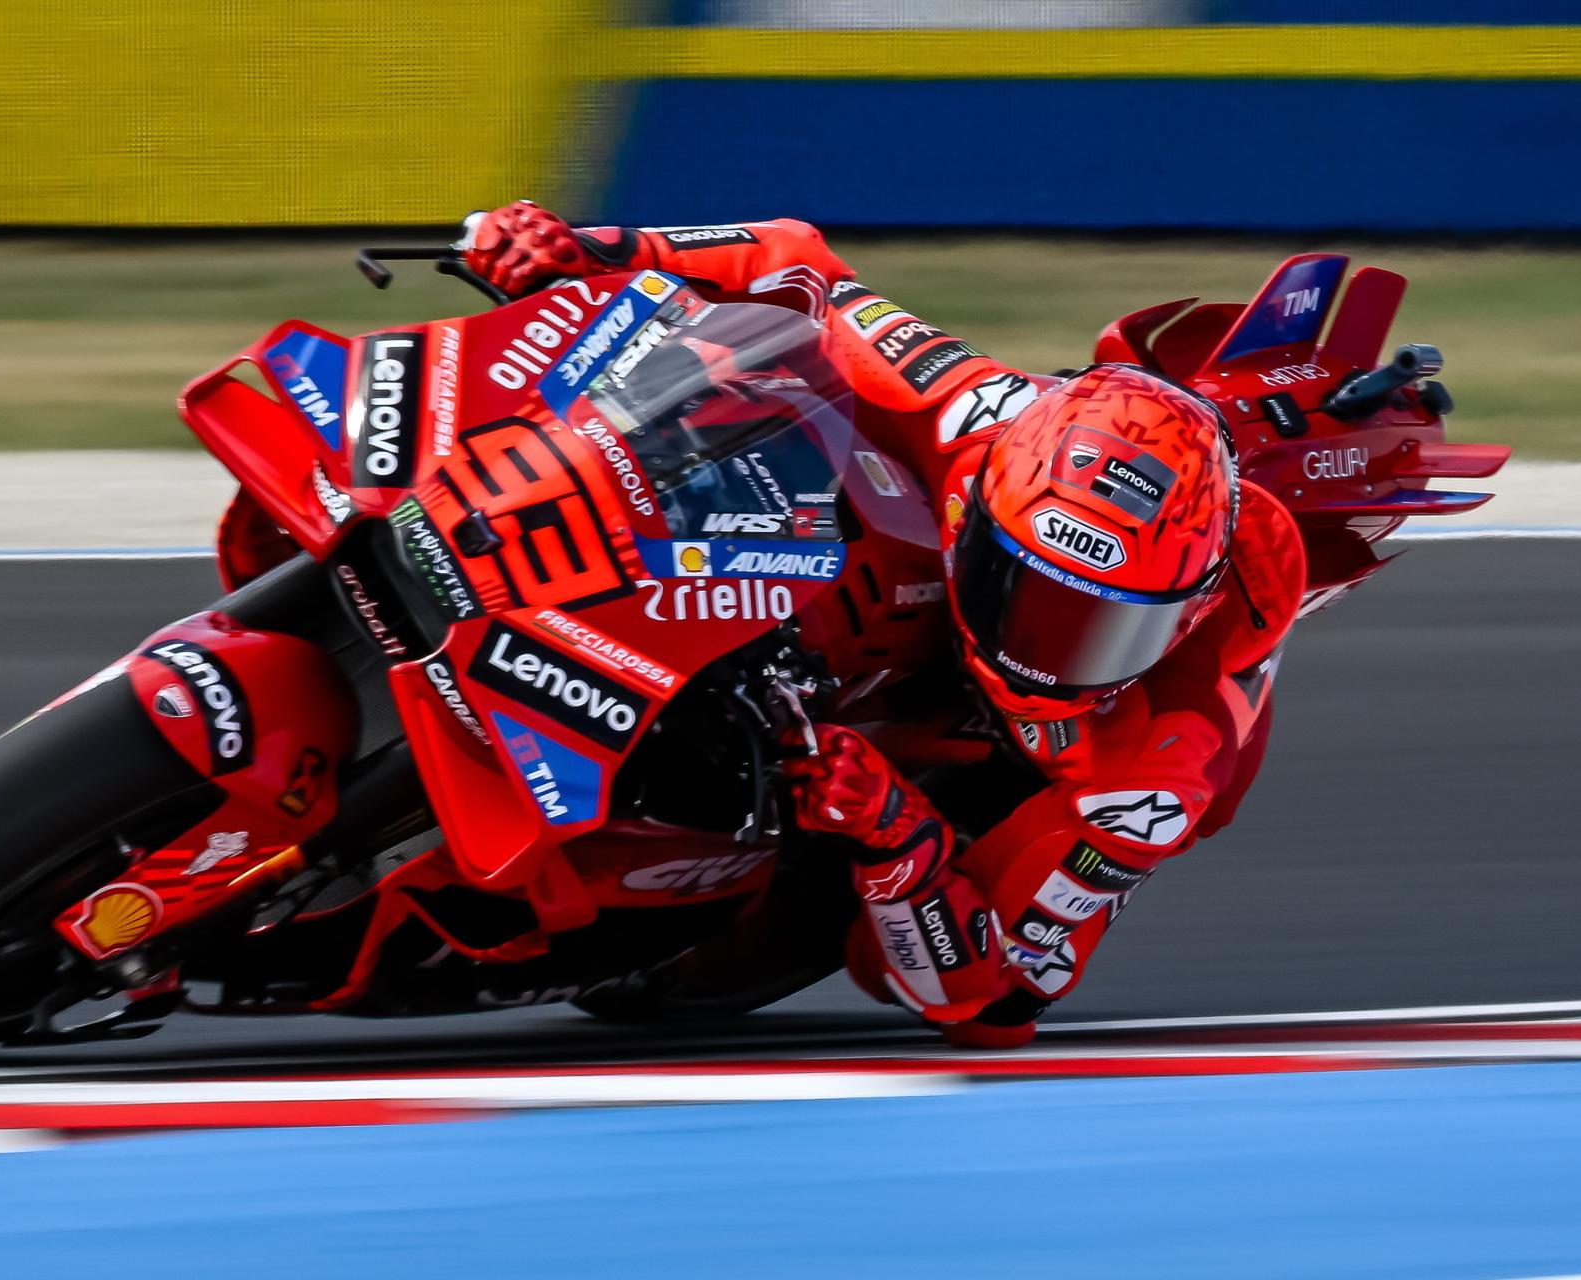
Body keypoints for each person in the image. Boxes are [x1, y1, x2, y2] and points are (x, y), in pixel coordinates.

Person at [465, 201, 1306, 1046]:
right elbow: (793, 263)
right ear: (981, 508)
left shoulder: (1153, 774)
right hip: (869, 573)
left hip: (1014, 771)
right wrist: (588, 249)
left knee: (829, 958)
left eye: (1098, 628)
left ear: (1183, 618)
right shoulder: (972, 412)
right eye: (1023, 590)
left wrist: (895, 831)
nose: (1036, 653)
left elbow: (993, 1001)